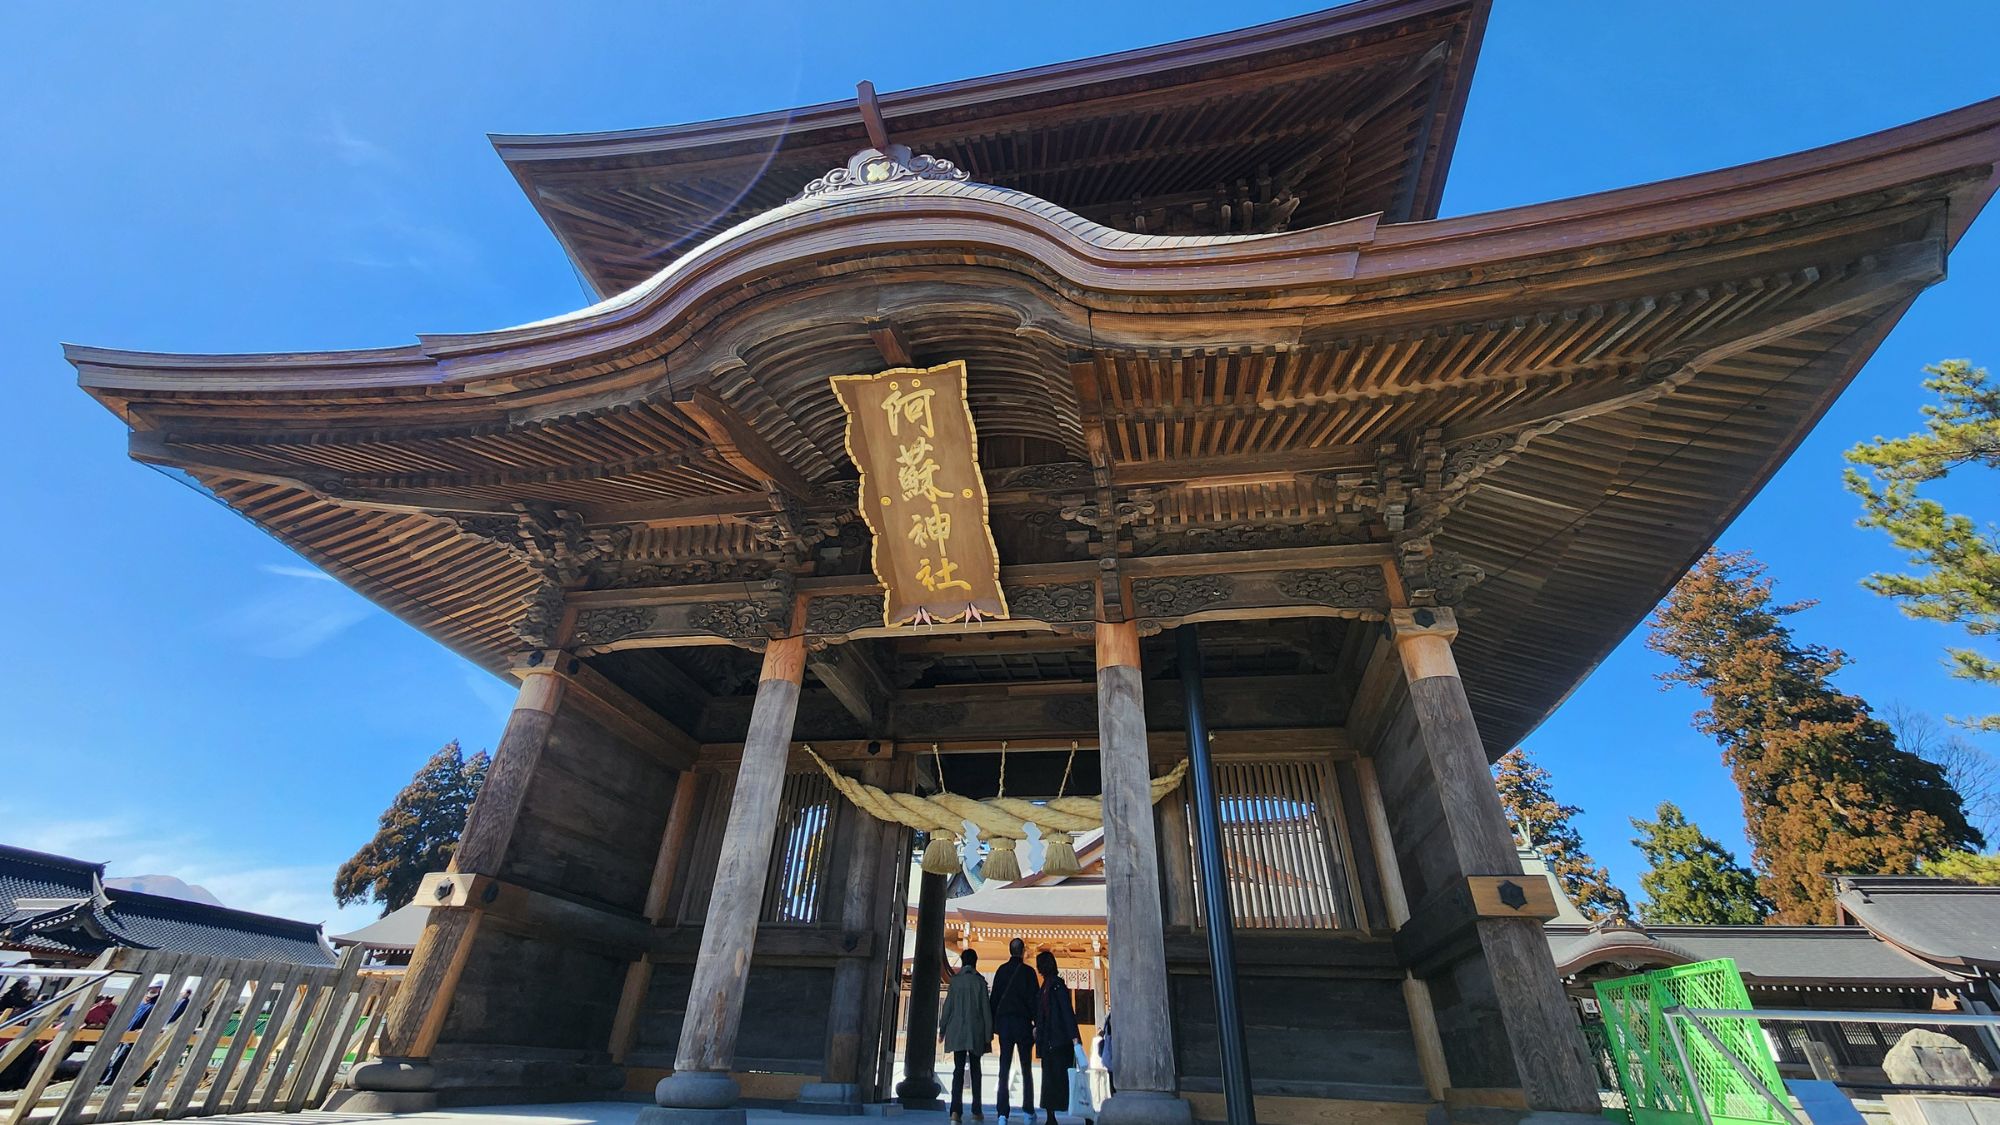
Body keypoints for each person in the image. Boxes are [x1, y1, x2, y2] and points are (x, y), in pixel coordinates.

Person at [939, 948, 993, 1123]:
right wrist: (988, 1035)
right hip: (976, 1031)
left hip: (957, 1031)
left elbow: (948, 1007)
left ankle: (955, 1112)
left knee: (958, 1071)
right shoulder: (980, 983)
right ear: (975, 962)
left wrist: (942, 1028)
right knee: (976, 1070)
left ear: (962, 962)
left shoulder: (955, 982)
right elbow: (986, 1011)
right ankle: (976, 1110)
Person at [989, 937, 1039, 1123]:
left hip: (1005, 1024)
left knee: (1004, 1067)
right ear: (1023, 951)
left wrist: (993, 1024)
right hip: (1024, 1024)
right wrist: (1037, 1023)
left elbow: (994, 999)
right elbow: (1035, 1001)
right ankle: (1028, 1111)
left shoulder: (1001, 971)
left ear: (1010, 951)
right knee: (1026, 1068)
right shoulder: (1028, 972)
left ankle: (1002, 1113)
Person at [1033, 951, 1081, 1125]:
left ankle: (1082, 1111)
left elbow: (1067, 1012)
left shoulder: (1055, 986)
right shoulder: (1046, 986)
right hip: (1051, 1041)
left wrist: (1075, 1038)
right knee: (1052, 1081)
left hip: (1058, 1041)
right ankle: (1050, 1116)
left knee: (1064, 1081)